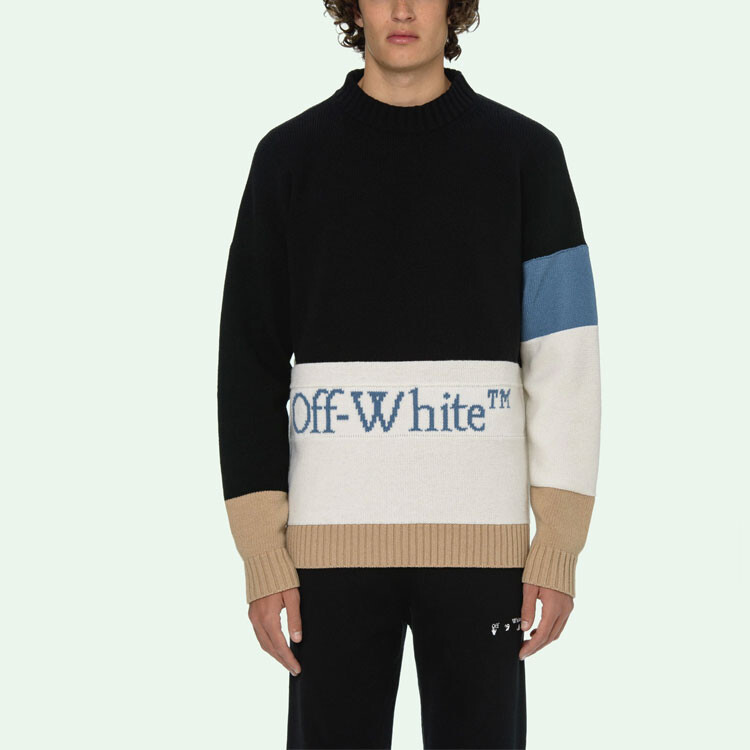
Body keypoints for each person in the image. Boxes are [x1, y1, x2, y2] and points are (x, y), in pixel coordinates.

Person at [216, 1, 601, 748]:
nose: (400, 8)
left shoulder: (526, 155)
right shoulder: (288, 159)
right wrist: (263, 553)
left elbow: (566, 360)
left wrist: (559, 544)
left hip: (485, 554)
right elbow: (249, 362)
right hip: (325, 557)